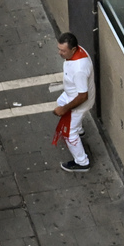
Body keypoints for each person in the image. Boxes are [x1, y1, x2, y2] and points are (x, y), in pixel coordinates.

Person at [52, 32, 96, 172]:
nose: (60, 53)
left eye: (63, 50)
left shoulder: (79, 70)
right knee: (60, 101)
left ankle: (82, 162)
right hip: (71, 94)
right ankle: (79, 129)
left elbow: (82, 96)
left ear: (73, 49)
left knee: (69, 134)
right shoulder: (78, 51)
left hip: (77, 101)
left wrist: (65, 109)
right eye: (59, 49)